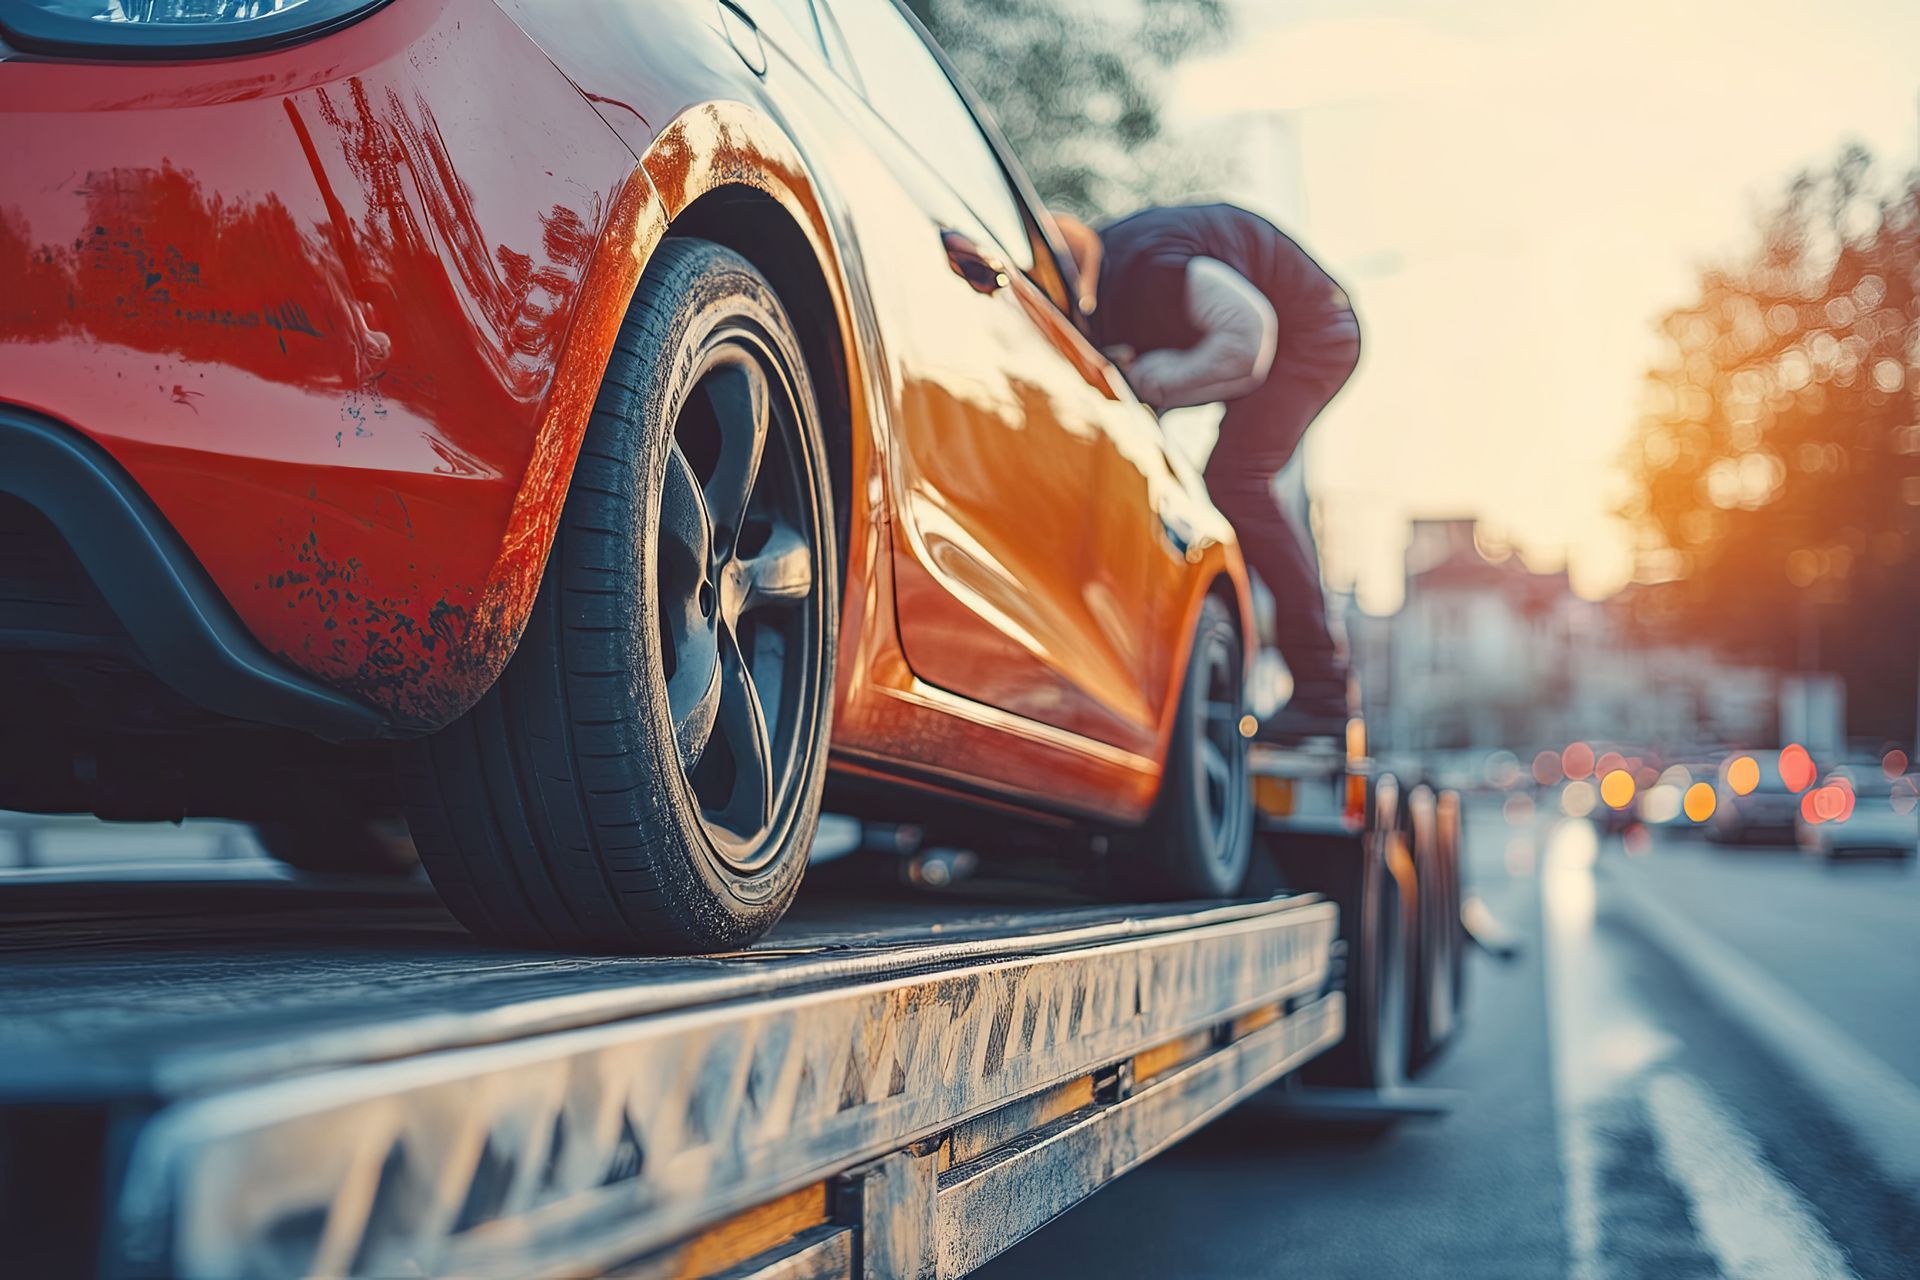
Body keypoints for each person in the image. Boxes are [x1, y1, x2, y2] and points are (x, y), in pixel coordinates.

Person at [1055, 204, 1360, 741]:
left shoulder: (1147, 274)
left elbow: (1248, 336)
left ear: (1082, 292)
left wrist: (1151, 381)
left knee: (1236, 484)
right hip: (1274, 329)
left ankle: (1323, 693)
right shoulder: (1110, 279)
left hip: (1315, 330)